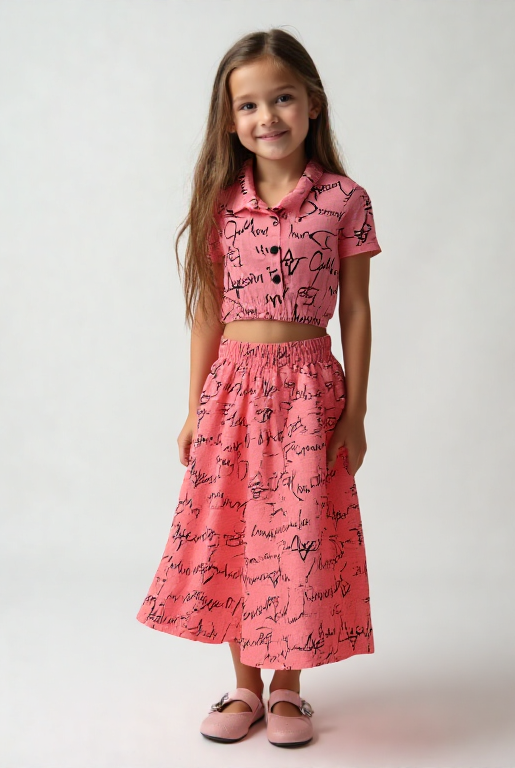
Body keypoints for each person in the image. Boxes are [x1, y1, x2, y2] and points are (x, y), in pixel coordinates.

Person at [136, 27, 382, 748]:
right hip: (233, 392)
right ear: (229, 119)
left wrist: (357, 412)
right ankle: (244, 685)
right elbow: (207, 312)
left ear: (313, 103)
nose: (266, 117)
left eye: (282, 98)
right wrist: (193, 409)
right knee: (238, 531)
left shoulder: (345, 199)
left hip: (310, 393)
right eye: (247, 105)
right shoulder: (221, 203)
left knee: (297, 535)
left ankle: (287, 689)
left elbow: (358, 309)